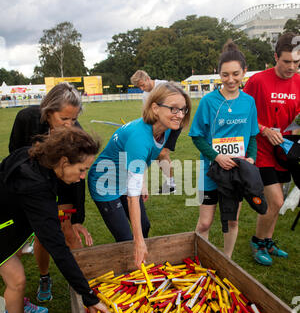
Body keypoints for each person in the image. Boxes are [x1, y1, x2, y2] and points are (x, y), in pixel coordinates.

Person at [0, 127, 111, 313]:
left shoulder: (32, 154)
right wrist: (89, 296)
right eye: (81, 170)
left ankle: (16, 304)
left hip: (8, 219)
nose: (82, 178)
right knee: (17, 279)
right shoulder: (35, 185)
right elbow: (58, 248)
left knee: (16, 270)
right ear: (63, 161)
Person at [88, 82, 191, 268]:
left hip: (126, 177)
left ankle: (138, 260)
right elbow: (132, 196)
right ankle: (131, 274)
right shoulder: (139, 137)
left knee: (144, 227)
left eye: (183, 110)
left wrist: (141, 181)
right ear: (155, 108)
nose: (180, 115)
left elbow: (151, 156)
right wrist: (138, 241)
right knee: (128, 239)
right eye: (174, 109)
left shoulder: (166, 129)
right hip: (105, 183)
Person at [9, 82, 91, 302]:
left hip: (64, 185)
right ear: (48, 110)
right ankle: (44, 277)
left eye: (73, 119)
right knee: (34, 235)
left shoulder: (77, 135)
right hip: (30, 185)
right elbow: (14, 153)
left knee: (65, 231)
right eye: (63, 119)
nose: (69, 125)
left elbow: (79, 179)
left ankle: (84, 285)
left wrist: (77, 218)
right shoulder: (26, 118)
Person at [189, 41, 259, 258]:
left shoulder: (248, 102)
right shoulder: (209, 102)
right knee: (205, 222)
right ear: (218, 74)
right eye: (225, 74)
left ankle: (227, 261)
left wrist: (251, 158)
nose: (231, 79)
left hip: (237, 171)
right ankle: (201, 260)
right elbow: (197, 136)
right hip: (211, 170)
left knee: (232, 220)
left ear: (244, 72)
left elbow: (253, 135)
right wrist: (217, 156)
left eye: (236, 74)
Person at [243, 32, 300, 265]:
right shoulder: (258, 81)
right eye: (287, 61)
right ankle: (257, 242)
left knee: (280, 199)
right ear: (276, 57)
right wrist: (265, 129)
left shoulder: (299, 81)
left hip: (285, 151)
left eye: (297, 62)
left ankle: (268, 241)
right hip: (261, 149)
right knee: (275, 201)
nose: (292, 67)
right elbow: (243, 113)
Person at [130, 70, 181, 194]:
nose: (142, 88)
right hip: (161, 125)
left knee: (163, 152)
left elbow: (177, 103)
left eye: (143, 85)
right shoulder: (145, 96)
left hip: (174, 122)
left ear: (148, 78)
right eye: (139, 87)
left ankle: (172, 185)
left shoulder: (163, 86)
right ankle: (170, 183)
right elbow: (148, 115)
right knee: (158, 154)